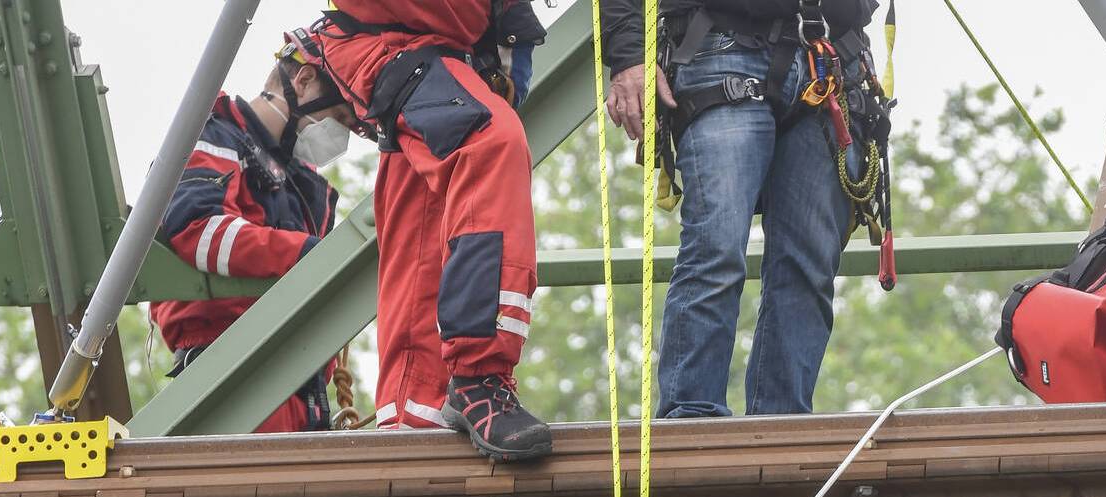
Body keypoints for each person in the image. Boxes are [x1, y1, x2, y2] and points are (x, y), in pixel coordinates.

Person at [599, 0, 885, 419]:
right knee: (716, 246)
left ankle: (781, 429)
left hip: (831, 58)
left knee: (808, 264)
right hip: (720, 43)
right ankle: (691, 423)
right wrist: (628, 56)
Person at [303, 2, 552, 460]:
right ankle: (479, 379)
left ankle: (412, 421)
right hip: (397, 45)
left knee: (422, 230)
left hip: (426, 51)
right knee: (489, 145)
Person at [150, 34, 356, 433]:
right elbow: (198, 229)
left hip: (300, 387)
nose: (340, 136)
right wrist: (305, 253)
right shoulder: (217, 136)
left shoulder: (304, 186)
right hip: (232, 376)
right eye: (339, 118)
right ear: (304, 80)